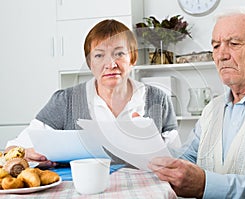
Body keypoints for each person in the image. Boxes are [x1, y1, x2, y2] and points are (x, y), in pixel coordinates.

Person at [148, 7, 245, 199]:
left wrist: (205, 185)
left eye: (234, 43)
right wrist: (148, 148)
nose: (221, 55)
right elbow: (187, 158)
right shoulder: (213, 108)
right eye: (216, 46)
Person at [5, 19, 178, 168]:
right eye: (99, 56)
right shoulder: (65, 101)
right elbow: (13, 148)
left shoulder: (158, 99)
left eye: (119, 54)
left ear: (132, 58)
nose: (110, 64)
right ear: (89, 63)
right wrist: (27, 155)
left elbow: (177, 158)